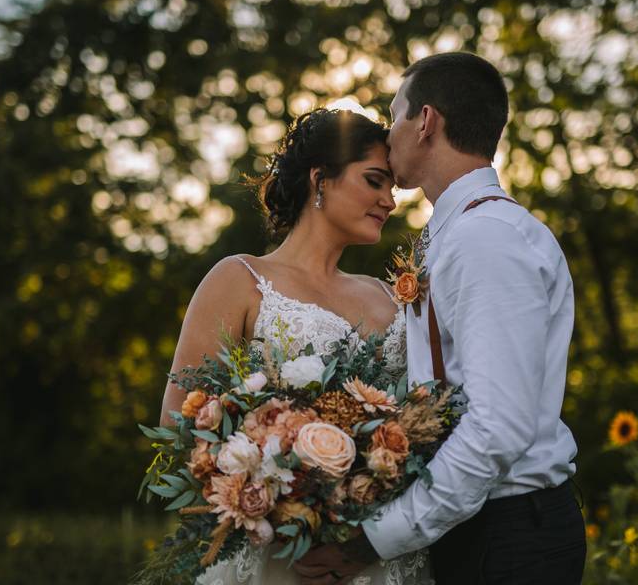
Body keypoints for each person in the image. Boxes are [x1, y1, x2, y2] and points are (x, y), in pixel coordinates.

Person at [294, 53, 585, 585]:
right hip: (479, 525)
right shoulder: (457, 233)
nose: (388, 130)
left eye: (394, 113)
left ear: (425, 122)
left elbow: (498, 428)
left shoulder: (485, 239)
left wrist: (375, 540)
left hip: (509, 535)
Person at [159, 108, 434, 585]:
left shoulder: (390, 296)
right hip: (283, 556)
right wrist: (276, 502)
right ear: (319, 179)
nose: (388, 201)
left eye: (390, 187)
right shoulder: (239, 279)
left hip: (380, 555)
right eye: (374, 181)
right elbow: (180, 423)